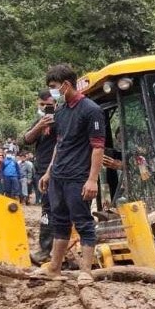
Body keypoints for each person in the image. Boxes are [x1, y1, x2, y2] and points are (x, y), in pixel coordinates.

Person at [38, 64, 106, 283]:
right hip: (58, 176)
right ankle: (54, 267)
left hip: (78, 177)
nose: (53, 92)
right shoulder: (61, 111)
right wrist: (49, 172)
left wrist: (92, 179)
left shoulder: (91, 110)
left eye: (54, 87)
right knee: (59, 222)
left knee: (83, 222)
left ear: (66, 84)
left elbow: (97, 147)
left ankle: (86, 271)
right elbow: (60, 144)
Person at [23, 89, 59, 260]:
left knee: (57, 209)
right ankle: (45, 249)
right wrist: (40, 125)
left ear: (56, 104)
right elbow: (26, 140)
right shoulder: (39, 121)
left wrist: (50, 171)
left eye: (49, 105)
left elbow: (61, 146)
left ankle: (55, 251)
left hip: (56, 170)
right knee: (46, 210)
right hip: (40, 171)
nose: (45, 108)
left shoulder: (62, 120)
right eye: (42, 105)